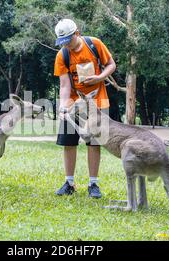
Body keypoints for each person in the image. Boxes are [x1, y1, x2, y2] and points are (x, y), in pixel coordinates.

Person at [53, 18, 116, 198]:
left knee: (94, 142)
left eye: (69, 41)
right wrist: (63, 107)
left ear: (77, 33)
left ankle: (93, 184)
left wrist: (99, 78)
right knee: (68, 141)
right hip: (74, 102)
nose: (67, 45)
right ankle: (69, 182)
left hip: (98, 101)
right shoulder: (62, 55)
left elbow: (111, 65)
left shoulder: (94, 44)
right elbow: (64, 85)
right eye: (63, 42)